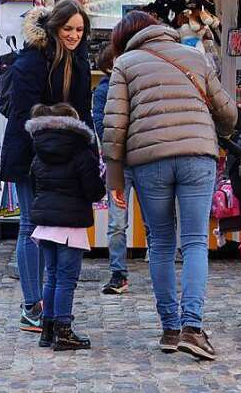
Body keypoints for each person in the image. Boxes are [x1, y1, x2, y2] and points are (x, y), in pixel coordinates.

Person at [102, 11, 237, 359]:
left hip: (149, 161)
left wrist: (115, 178)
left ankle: (170, 329)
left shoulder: (125, 64)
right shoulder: (194, 56)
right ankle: (193, 328)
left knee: (160, 243)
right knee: (193, 242)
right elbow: (228, 112)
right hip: (196, 154)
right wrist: (218, 132)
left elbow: (114, 125)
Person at [0, 0, 91, 333]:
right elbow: (24, 113)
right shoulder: (30, 61)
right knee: (29, 225)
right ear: (54, 28)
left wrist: (86, 149)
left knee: (54, 226)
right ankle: (31, 305)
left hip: (63, 155)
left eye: (80, 30)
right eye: (68, 29)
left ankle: (48, 304)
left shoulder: (79, 62)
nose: (74, 35)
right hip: (28, 152)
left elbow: (84, 112)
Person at [27, 103, 106, 350]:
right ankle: (63, 330)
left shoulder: (39, 151)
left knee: (51, 277)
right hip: (70, 225)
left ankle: (47, 329)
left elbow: (33, 184)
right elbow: (93, 190)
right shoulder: (82, 153)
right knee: (66, 280)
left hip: (46, 224)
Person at [92, 44, 132, 295]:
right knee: (117, 221)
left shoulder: (135, 83)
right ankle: (118, 272)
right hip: (118, 161)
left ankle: (159, 266)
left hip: (140, 157)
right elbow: (99, 123)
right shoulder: (104, 90)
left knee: (154, 220)